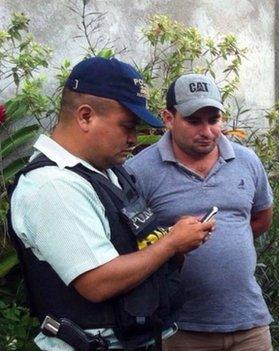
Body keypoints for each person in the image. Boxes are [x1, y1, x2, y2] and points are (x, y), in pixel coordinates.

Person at [8, 57, 215, 351]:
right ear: (85, 117)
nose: (133, 138)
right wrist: (170, 245)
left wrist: (175, 239)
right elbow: (97, 282)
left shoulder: (108, 171)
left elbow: (132, 242)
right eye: (126, 126)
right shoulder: (53, 185)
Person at [125, 73, 274, 351]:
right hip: (181, 329)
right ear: (168, 118)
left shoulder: (247, 161)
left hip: (249, 324)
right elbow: (129, 243)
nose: (206, 131)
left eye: (213, 119)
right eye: (194, 121)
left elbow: (260, 218)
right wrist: (173, 242)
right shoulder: (140, 171)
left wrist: (227, 245)